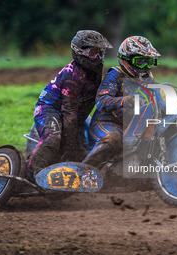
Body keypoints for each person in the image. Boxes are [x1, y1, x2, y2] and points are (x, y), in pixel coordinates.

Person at [27, 30, 112, 180]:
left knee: (84, 150)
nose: (98, 57)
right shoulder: (73, 75)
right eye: (93, 53)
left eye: (101, 52)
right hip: (49, 109)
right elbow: (69, 113)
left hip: (75, 113)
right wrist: (70, 145)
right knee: (53, 139)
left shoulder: (95, 71)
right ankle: (30, 173)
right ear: (79, 51)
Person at [82, 36, 161, 169]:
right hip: (107, 123)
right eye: (141, 61)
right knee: (113, 140)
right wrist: (125, 100)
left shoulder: (149, 79)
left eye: (149, 61)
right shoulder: (115, 75)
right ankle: (83, 171)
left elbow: (157, 96)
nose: (146, 66)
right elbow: (102, 101)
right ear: (126, 60)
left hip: (132, 124)